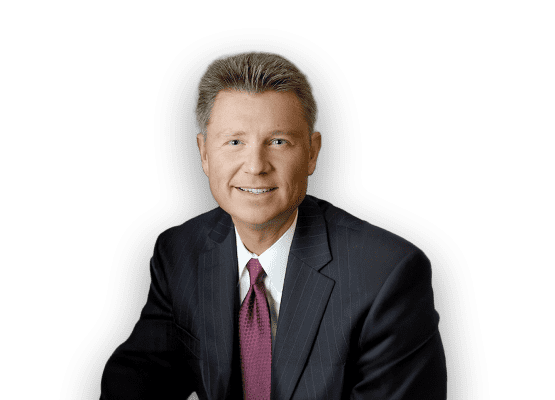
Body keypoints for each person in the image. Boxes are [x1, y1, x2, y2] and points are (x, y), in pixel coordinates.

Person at [100, 51, 447, 399]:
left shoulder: (386, 274)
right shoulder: (179, 251)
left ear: (312, 153)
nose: (256, 166)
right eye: (235, 142)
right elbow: (133, 378)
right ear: (204, 153)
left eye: (278, 142)